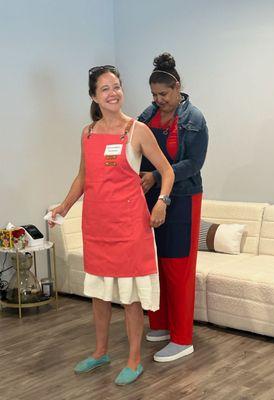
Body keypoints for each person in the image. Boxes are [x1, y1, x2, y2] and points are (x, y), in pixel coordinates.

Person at [49, 65, 174, 385]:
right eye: (105, 89)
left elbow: (167, 171)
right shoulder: (88, 133)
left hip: (130, 228)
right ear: (94, 96)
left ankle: (133, 360)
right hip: (98, 226)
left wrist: (162, 201)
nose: (113, 93)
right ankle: (100, 351)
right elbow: (84, 177)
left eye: (116, 86)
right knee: (100, 294)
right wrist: (63, 207)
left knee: (130, 297)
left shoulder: (137, 130)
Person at [138, 53, 208, 362]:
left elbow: (193, 163)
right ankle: (162, 323)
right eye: (154, 94)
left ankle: (182, 338)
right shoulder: (146, 116)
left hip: (183, 199)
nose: (158, 100)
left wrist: (156, 176)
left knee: (178, 267)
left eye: (163, 94)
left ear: (177, 88)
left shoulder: (195, 120)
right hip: (151, 196)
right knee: (157, 262)